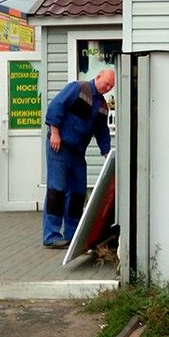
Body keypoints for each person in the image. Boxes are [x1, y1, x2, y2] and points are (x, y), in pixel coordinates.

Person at [42, 69, 115, 249]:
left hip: (77, 153)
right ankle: (51, 236)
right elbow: (56, 107)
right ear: (98, 77)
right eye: (106, 83)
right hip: (59, 146)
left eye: (111, 86)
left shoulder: (102, 106)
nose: (107, 88)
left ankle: (72, 234)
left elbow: (102, 132)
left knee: (77, 192)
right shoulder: (78, 88)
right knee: (57, 190)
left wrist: (107, 153)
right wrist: (55, 133)